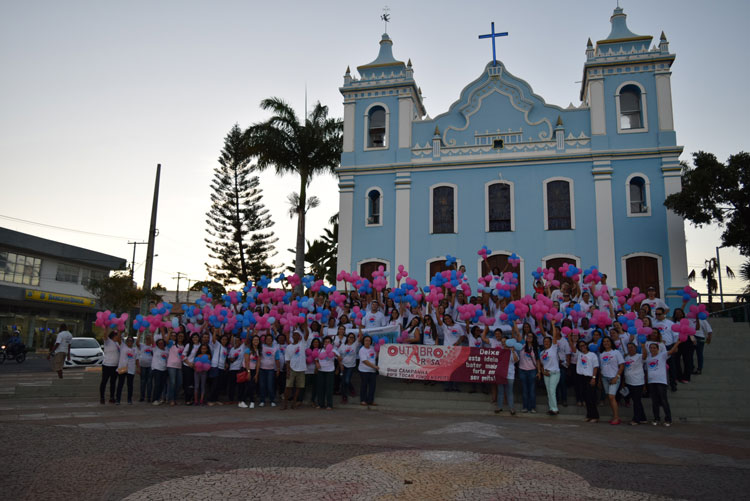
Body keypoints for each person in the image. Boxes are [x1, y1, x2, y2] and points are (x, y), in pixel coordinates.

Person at [645, 340, 681, 426]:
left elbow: (672, 351)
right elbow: (647, 370)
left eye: (654, 348)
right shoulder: (648, 358)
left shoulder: (662, 355)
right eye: (651, 348)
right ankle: (656, 418)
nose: (652, 349)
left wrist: (678, 342)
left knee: (664, 400)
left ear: (658, 349)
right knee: (654, 401)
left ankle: (668, 419)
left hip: (661, 381)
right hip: (651, 382)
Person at [598, 337, 625, 425]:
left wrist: (617, 377)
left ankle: (616, 418)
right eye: (604, 341)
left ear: (611, 342)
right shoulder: (601, 354)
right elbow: (601, 367)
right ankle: (614, 416)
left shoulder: (616, 352)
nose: (606, 343)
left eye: (608, 341)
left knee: (611, 397)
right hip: (605, 378)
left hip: (614, 377)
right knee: (609, 397)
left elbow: (621, 366)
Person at [282, 330, 307, 409]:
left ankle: (294, 403)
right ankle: (285, 404)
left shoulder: (302, 344)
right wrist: (288, 371)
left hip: (301, 369)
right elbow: (287, 360)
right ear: (292, 337)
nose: (296, 336)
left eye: (297, 335)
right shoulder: (289, 347)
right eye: (294, 335)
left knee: (298, 387)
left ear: (300, 337)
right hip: (292, 368)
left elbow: (306, 332)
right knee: (288, 387)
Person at [576, 340, 600, 423]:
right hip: (581, 377)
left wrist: (594, 378)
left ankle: (595, 416)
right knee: (586, 397)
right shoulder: (579, 355)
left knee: (591, 397)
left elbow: (595, 367)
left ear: (586, 346)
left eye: (583, 345)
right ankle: (589, 415)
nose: (582, 347)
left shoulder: (592, 355)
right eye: (580, 346)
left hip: (590, 377)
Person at [624, 342, 647, 425]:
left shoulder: (639, 356)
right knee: (636, 401)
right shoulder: (626, 357)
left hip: (637, 382)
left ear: (635, 348)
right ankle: (643, 418)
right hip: (629, 382)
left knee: (636, 401)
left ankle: (636, 419)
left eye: (632, 347)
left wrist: (643, 347)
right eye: (629, 347)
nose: (630, 349)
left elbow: (645, 356)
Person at [315, 336, 340, 410]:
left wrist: (336, 356)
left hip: (330, 371)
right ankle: (320, 404)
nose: (327, 343)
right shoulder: (320, 350)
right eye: (325, 342)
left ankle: (329, 404)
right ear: (323, 343)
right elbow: (316, 359)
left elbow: (340, 359)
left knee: (329, 388)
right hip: (321, 371)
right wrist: (317, 364)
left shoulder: (334, 350)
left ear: (331, 343)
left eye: (328, 342)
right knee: (320, 388)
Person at [518, 331, 539, 413]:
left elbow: (537, 360)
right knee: (524, 390)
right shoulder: (522, 346)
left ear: (533, 338)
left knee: (532, 390)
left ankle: (532, 407)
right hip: (522, 370)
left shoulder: (536, 348)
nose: (529, 337)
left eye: (531, 336)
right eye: (528, 336)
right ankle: (525, 407)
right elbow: (516, 332)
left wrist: (539, 371)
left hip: (532, 370)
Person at [258, 333, 280, 407]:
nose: (268, 340)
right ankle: (262, 400)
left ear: (272, 340)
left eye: (270, 339)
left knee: (270, 386)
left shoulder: (275, 348)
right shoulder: (261, 346)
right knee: (262, 386)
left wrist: (278, 369)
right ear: (265, 340)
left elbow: (277, 359)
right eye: (267, 339)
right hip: (262, 369)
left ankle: (272, 400)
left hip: (271, 369)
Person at [539, 336, 560, 415]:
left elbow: (555, 336)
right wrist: (543, 371)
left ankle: (555, 409)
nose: (546, 343)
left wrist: (553, 325)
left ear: (551, 343)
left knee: (552, 390)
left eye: (548, 341)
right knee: (549, 391)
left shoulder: (553, 349)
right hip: (546, 373)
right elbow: (541, 364)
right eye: (545, 341)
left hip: (554, 373)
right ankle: (551, 408)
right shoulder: (542, 353)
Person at [239, 335, 261, 409]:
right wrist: (248, 372)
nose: (256, 341)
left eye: (257, 340)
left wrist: (257, 374)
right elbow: (246, 361)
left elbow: (258, 363)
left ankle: (246, 401)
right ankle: (248, 401)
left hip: (254, 370)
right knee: (249, 386)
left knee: (252, 386)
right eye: (254, 340)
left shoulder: (258, 350)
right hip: (247, 369)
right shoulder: (248, 350)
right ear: (252, 341)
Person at [115, 336, 138, 405]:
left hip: (131, 369)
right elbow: (118, 339)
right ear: (126, 342)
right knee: (120, 384)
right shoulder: (123, 347)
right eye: (128, 341)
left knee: (130, 385)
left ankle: (129, 399)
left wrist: (139, 368)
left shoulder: (135, 349)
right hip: (122, 368)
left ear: (133, 342)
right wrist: (119, 331)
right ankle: (118, 400)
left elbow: (137, 359)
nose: (129, 342)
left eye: (131, 341)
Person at [338, 332, 360, 403]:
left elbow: (361, 336)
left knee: (347, 381)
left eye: (352, 337)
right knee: (343, 381)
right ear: (347, 338)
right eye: (350, 337)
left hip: (351, 366)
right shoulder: (342, 346)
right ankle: (344, 397)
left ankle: (351, 389)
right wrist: (340, 365)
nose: (351, 338)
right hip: (343, 365)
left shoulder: (355, 345)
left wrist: (359, 326)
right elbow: (339, 356)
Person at [99, 331, 120, 404]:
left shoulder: (117, 343)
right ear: (113, 336)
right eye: (117, 336)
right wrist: (106, 327)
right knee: (104, 382)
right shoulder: (108, 341)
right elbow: (105, 335)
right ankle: (102, 397)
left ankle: (112, 397)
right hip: (107, 365)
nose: (118, 337)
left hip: (115, 366)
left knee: (113, 382)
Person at [166, 332, 185, 406]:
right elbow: (166, 341)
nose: (180, 337)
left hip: (179, 366)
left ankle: (175, 398)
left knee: (179, 382)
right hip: (171, 365)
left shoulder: (183, 346)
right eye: (179, 336)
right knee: (172, 383)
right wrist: (169, 332)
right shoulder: (172, 343)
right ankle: (171, 399)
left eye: (182, 336)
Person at [358, 335, 379, 406]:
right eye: (366, 340)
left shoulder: (373, 348)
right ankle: (363, 400)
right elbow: (365, 361)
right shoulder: (362, 350)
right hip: (364, 370)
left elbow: (375, 357)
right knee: (364, 385)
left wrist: (378, 353)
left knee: (372, 386)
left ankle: (371, 400)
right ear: (363, 342)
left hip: (372, 371)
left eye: (369, 340)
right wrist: (374, 366)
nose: (367, 342)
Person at [151, 338, 168, 406]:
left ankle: (158, 398)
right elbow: (152, 341)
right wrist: (152, 333)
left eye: (162, 343)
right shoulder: (155, 349)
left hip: (164, 369)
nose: (161, 344)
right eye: (159, 343)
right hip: (156, 369)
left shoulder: (166, 350)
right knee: (157, 385)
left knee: (162, 385)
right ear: (157, 344)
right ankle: (154, 399)